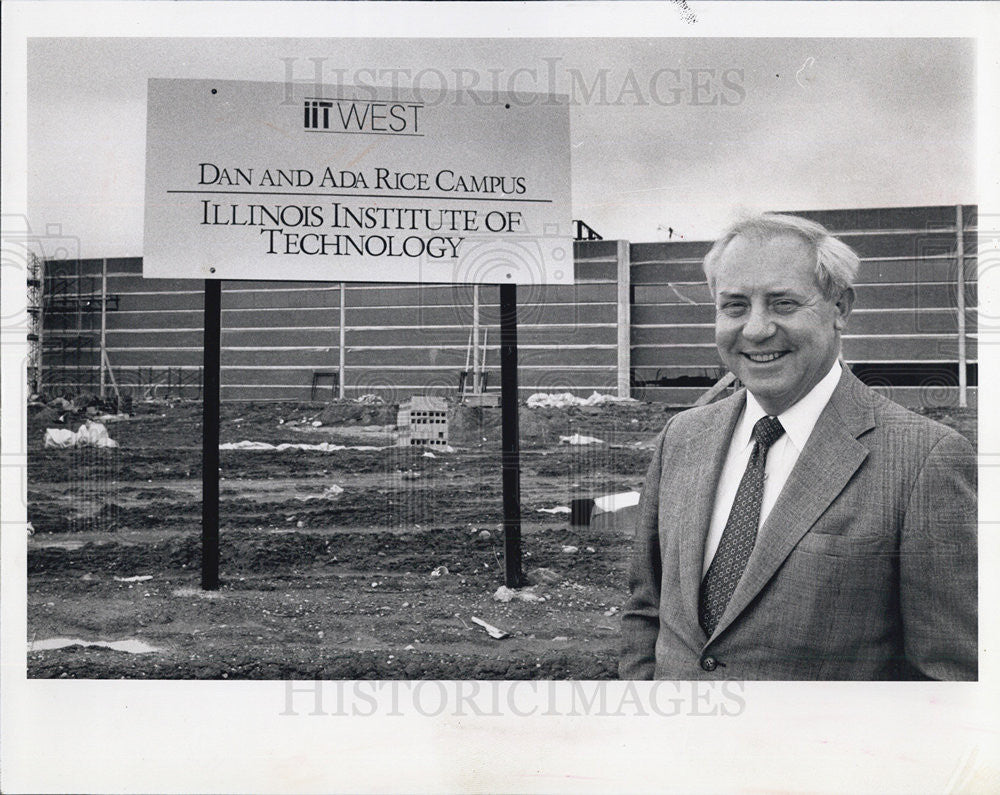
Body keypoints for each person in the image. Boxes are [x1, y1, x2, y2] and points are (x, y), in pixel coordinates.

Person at [620, 213, 977, 680]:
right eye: (734, 306)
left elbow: (949, 678)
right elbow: (647, 611)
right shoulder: (683, 437)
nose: (756, 329)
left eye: (783, 304)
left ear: (840, 308)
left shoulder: (926, 460)